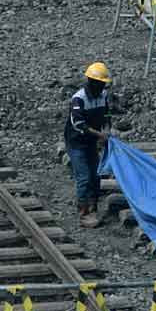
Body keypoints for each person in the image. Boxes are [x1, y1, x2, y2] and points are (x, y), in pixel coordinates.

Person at [64, 62, 113, 228]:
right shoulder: (79, 99)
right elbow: (78, 124)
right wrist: (100, 135)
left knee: (95, 175)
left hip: (91, 142)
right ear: (92, 82)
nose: (102, 86)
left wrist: (107, 129)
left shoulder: (103, 96)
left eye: (103, 84)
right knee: (84, 177)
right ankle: (83, 212)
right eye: (100, 83)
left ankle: (93, 207)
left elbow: (107, 115)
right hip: (77, 142)